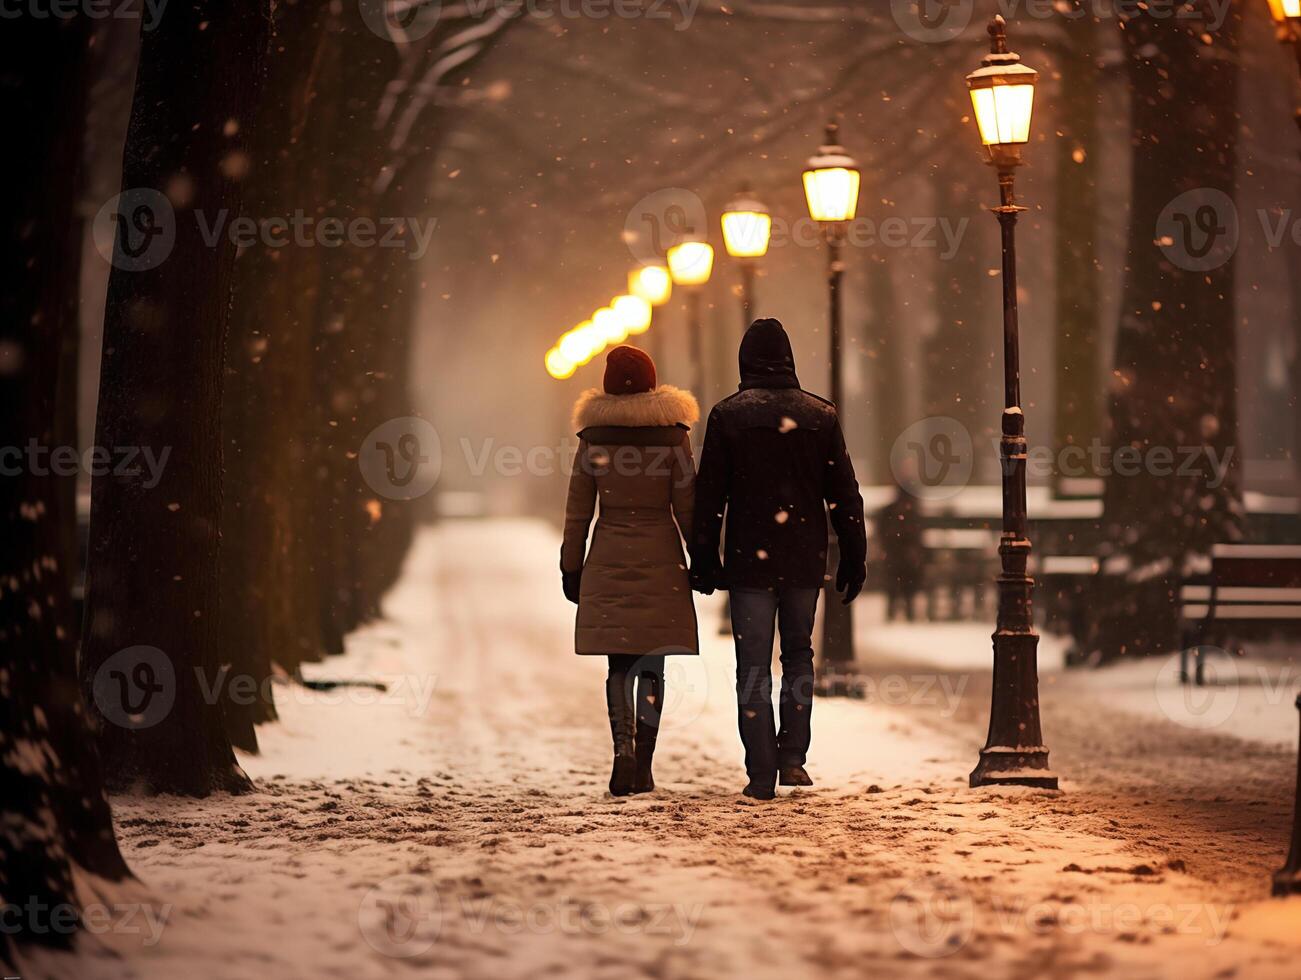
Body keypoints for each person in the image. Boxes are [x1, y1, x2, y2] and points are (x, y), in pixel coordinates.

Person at [690, 318, 866, 800]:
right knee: (799, 654)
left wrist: (703, 556)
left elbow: (710, 496)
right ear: (789, 359)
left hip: (750, 558)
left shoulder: (728, 416)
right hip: (803, 557)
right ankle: (793, 756)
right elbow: (845, 495)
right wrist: (854, 553)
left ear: (746, 361)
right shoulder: (820, 416)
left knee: (752, 664)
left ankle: (760, 768)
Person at [561, 345, 700, 797]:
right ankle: (643, 763)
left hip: (608, 554)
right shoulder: (673, 439)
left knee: (618, 663)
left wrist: (571, 566)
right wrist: (703, 560)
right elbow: (688, 509)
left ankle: (622, 747)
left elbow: (578, 512)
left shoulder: (593, 441)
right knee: (653, 665)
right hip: (661, 556)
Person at [878, 477, 926, 622]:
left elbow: (884, 532)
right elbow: (916, 535)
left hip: (895, 554)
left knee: (897, 578)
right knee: (906, 579)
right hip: (901, 554)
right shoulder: (910, 512)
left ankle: (895, 610)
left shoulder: (893, 511)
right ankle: (907, 610)